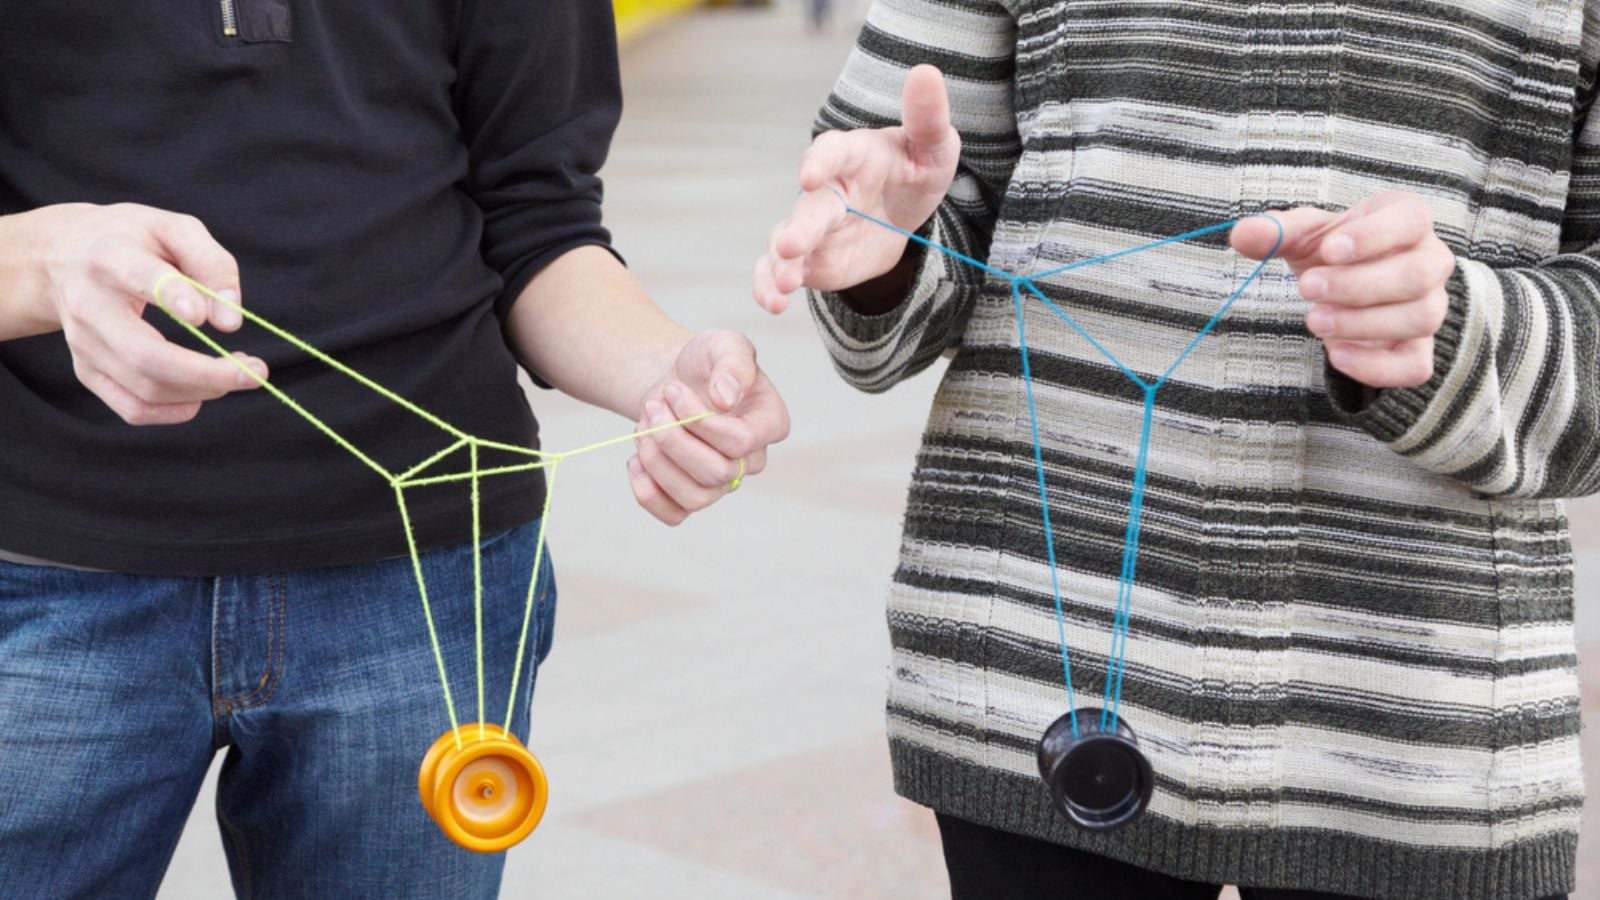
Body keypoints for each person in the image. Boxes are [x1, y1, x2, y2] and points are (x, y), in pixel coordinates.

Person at [754, 1, 1592, 898]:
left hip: (1418, 721)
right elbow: (909, 200)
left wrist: (1455, 336)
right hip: (1040, 676)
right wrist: (886, 247)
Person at [0, 1, 788, 897]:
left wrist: (663, 372)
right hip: (38, 569)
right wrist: (45, 263)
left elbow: (540, 220)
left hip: (427, 584)